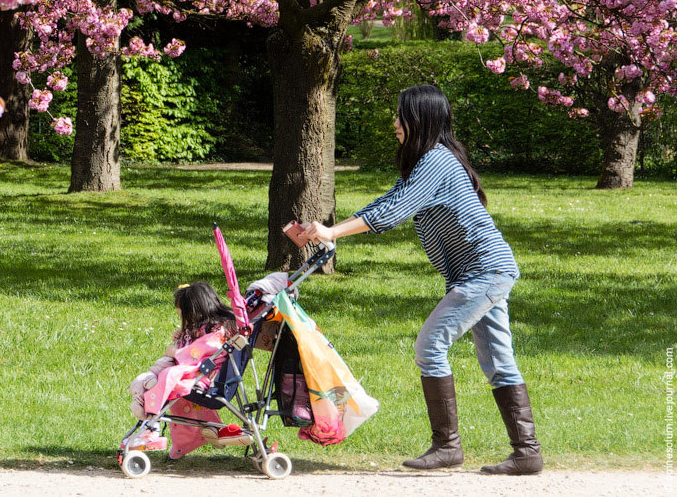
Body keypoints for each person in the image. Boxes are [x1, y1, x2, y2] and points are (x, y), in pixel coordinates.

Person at [301, 85, 543, 475]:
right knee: (499, 362)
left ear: (421, 119)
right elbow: (386, 201)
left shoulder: (437, 160)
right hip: (484, 271)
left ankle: (447, 446)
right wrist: (328, 230)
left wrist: (332, 233)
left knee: (430, 347)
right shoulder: (426, 163)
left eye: (401, 115)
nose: (395, 123)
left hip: (484, 271)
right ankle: (526, 453)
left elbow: (395, 211)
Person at [126, 281, 241, 455]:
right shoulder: (203, 327)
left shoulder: (218, 331)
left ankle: (152, 425)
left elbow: (200, 351)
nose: (183, 319)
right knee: (157, 377)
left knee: (168, 375)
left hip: (205, 378)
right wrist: (181, 338)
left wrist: (177, 352)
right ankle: (149, 420)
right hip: (193, 372)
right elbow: (195, 347)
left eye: (183, 313)